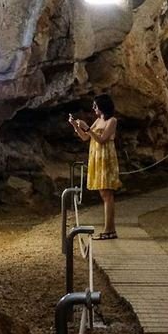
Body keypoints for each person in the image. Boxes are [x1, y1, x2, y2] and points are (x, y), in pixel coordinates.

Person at [69, 93, 121, 239]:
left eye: (95, 106)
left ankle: (109, 230)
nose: (93, 108)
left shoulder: (112, 121)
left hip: (106, 158)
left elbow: (102, 139)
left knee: (107, 194)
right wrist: (76, 126)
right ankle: (109, 229)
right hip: (97, 158)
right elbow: (86, 137)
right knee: (103, 194)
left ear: (103, 106)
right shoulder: (98, 120)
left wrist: (87, 129)